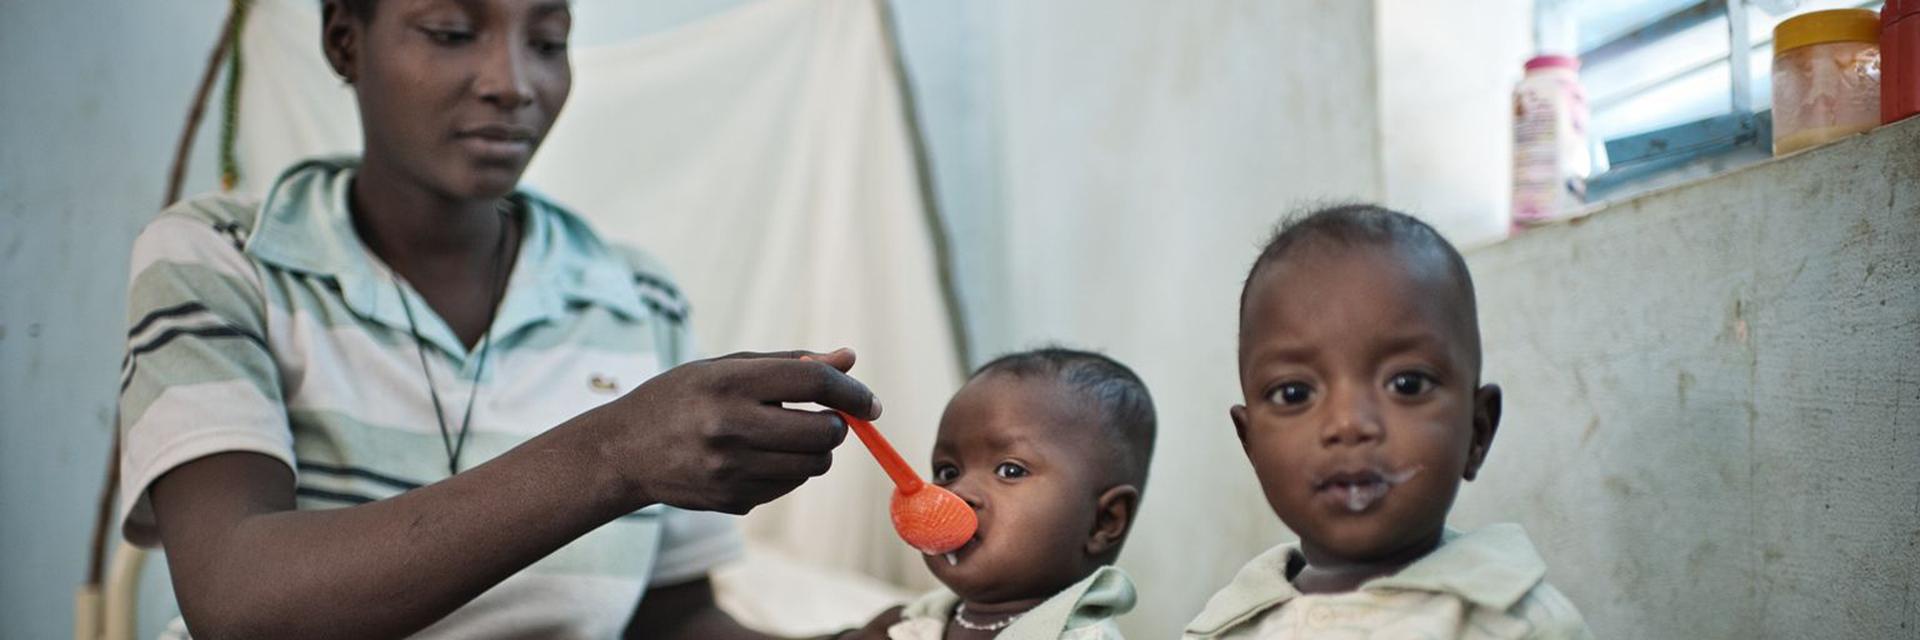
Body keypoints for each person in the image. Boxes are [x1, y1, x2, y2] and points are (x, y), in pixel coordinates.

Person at [115, 0, 878, 637]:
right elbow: (238, 598)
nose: (513, 82)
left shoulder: (636, 299)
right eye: (451, 32)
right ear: (345, 41)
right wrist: (616, 451)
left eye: (548, 42)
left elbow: (668, 620)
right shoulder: (223, 258)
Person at [1183, 205, 1590, 639]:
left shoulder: (1518, 624)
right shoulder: (1222, 629)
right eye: (1295, 394)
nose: (1348, 424)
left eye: (1407, 384)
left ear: (1477, 431)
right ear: (1253, 446)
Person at [853, 347, 1155, 639]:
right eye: (948, 472)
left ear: (1104, 521)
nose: (958, 491)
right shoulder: (909, 622)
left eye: (1010, 471)